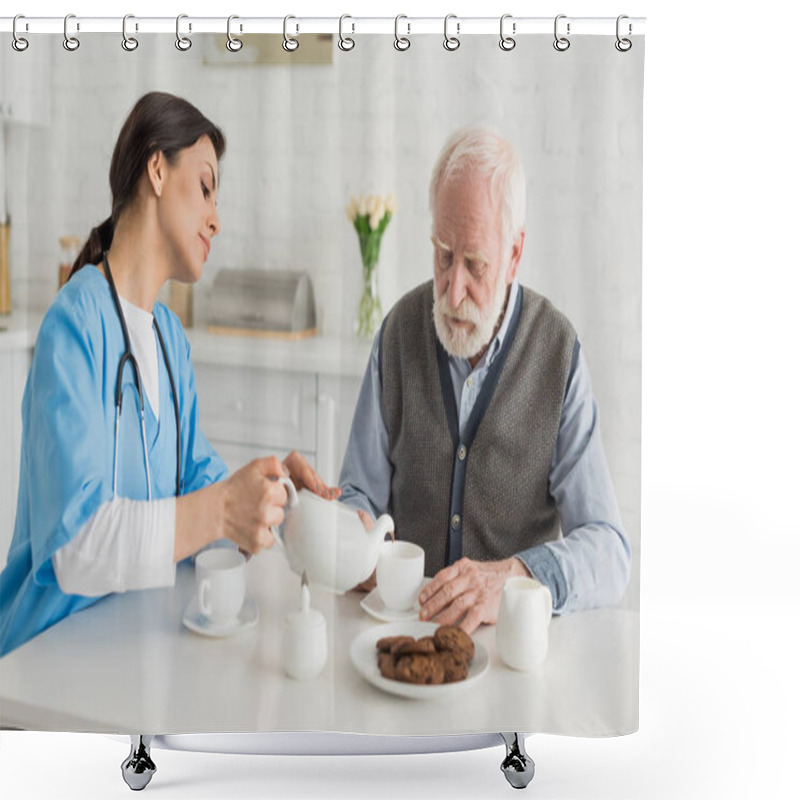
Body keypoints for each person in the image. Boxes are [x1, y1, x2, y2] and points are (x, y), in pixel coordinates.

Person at [0, 92, 338, 657]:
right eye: (205, 187)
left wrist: (275, 494)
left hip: (132, 649)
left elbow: (204, 491)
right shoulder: (74, 323)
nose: (216, 218)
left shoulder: (170, 342)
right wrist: (225, 507)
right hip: (47, 656)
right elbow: (77, 546)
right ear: (157, 169)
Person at [339, 126, 631, 634]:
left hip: (511, 659)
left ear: (515, 254)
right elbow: (358, 496)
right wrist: (351, 538)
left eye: (474, 264)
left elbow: (608, 548)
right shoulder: (396, 336)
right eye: (443, 255)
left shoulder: (558, 353)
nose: (453, 293)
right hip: (406, 644)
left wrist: (517, 577)